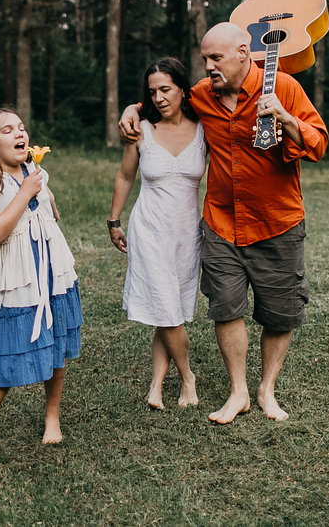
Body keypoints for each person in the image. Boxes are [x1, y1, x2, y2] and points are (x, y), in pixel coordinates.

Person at [120, 22, 328, 423]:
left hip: (277, 222)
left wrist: (286, 119)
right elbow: (162, 104)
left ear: (243, 53)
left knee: (279, 312)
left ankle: (266, 389)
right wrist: (132, 109)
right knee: (226, 308)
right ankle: (239, 392)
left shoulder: (283, 87)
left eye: (216, 58)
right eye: (204, 60)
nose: (208, 67)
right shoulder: (202, 95)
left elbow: (318, 143)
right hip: (221, 223)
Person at [0, 108, 83, 491]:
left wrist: (41, 192)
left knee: (59, 346)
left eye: (22, 127)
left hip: (54, 276)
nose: (20, 133)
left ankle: (51, 416)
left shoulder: (35, 172)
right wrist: (27, 193)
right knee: (2, 366)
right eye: (7, 129)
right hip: (19, 284)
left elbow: (50, 215)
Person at [108, 57, 205, 410]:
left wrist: (130, 107)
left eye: (166, 89)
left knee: (170, 310)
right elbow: (125, 177)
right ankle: (188, 377)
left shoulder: (203, 127)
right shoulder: (141, 130)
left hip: (186, 234)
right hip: (148, 230)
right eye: (152, 92)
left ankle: (156, 385)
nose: (160, 97)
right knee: (167, 310)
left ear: (183, 88)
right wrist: (114, 220)